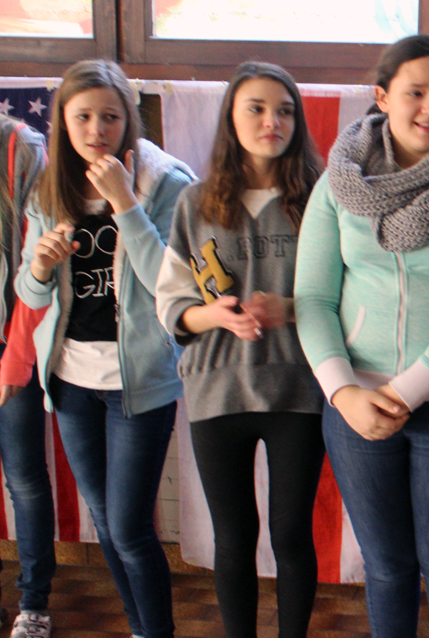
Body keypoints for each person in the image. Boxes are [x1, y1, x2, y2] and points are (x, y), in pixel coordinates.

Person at [294, 34, 429, 638]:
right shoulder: (338, 184)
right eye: (415, 92)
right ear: (382, 97)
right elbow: (312, 299)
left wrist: (403, 393)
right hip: (355, 407)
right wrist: (345, 393)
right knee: (387, 567)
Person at [14, 60, 194, 638]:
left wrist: (125, 204)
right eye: (83, 117)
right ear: (63, 122)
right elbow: (29, 293)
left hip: (138, 382)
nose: (97, 130)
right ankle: (140, 627)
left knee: (131, 528)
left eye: (111, 117)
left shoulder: (167, 183)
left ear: (129, 120)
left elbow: (171, 284)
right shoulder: (50, 188)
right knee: (106, 521)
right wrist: (40, 269)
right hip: (70, 382)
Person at [155, 61, 326, 638]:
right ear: (231, 116)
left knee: (291, 535)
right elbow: (171, 300)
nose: (272, 120)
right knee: (233, 538)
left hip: (298, 391)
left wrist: (290, 308)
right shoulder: (195, 202)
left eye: (285, 110)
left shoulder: (320, 199)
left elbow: (350, 291)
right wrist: (214, 316)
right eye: (256, 108)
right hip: (216, 390)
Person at [0, 115, 56, 638]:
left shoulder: (19, 147)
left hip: (9, 339)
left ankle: (33, 604)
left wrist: (15, 357)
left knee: (23, 478)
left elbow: (34, 267)